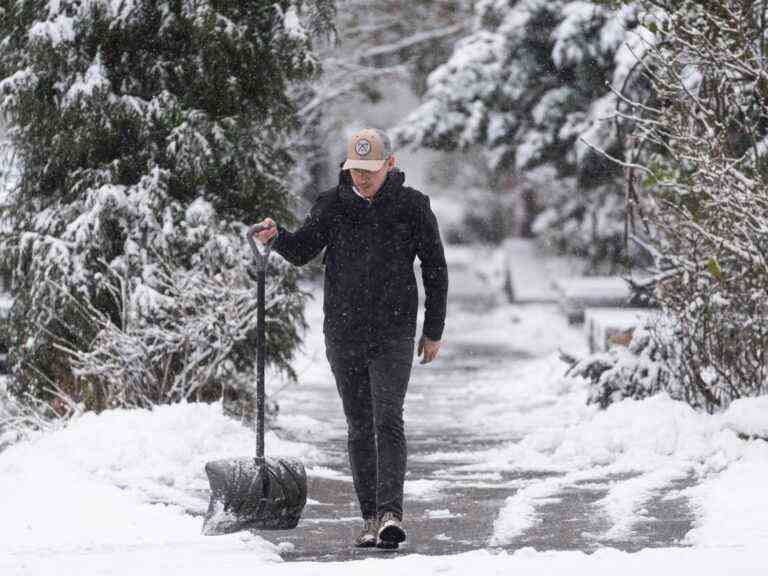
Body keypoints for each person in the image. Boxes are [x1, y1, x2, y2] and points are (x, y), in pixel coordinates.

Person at [253, 127, 448, 549]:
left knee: (387, 418)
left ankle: (391, 514)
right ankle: (369, 517)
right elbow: (303, 249)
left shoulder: (413, 207)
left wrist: (433, 329)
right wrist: (277, 237)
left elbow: (435, 268)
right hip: (343, 332)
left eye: (371, 170)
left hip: (393, 332)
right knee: (360, 426)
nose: (362, 178)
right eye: (356, 169)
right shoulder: (332, 205)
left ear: (389, 166)